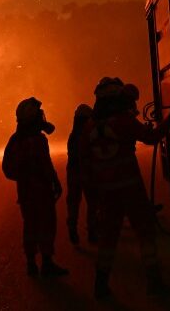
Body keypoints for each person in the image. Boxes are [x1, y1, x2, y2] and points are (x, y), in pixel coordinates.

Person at [80, 77, 170, 299]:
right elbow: (151, 137)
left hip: (107, 193)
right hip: (131, 190)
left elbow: (85, 164)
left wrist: (93, 196)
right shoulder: (124, 121)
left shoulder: (89, 127)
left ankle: (100, 285)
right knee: (146, 234)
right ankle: (154, 284)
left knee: (108, 239)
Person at [2, 97, 68, 277]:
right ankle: (46, 263)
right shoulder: (34, 140)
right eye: (38, 114)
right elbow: (40, 165)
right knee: (45, 224)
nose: (41, 117)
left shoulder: (21, 139)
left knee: (31, 225)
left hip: (29, 192)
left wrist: (54, 180)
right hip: (38, 191)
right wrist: (40, 178)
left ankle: (32, 264)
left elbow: (46, 163)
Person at [66, 103, 98, 245]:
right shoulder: (88, 135)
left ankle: (73, 228)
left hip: (74, 172)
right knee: (92, 202)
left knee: (74, 203)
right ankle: (91, 231)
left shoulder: (73, 136)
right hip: (86, 172)